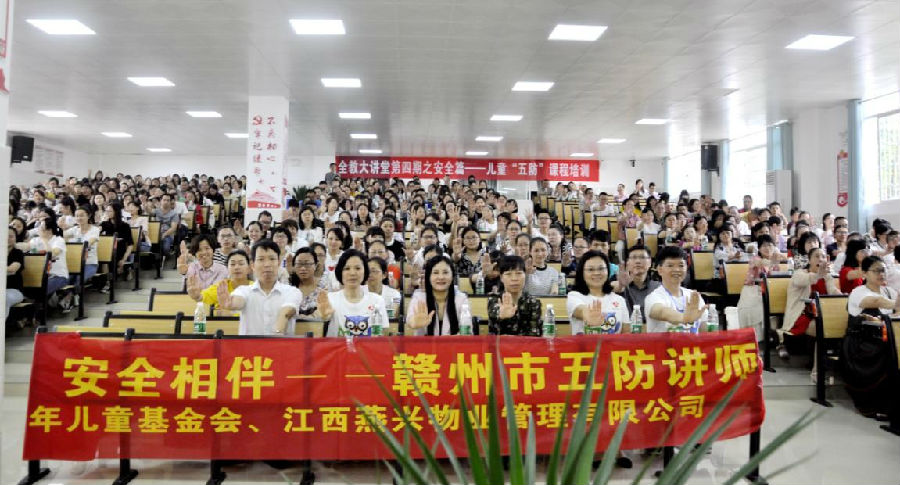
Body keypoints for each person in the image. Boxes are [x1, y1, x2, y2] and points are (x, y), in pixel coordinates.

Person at [843, 256, 900, 419]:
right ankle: (886, 407)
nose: (881, 274)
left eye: (883, 270)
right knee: (889, 354)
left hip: (885, 339)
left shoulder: (889, 291)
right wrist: (895, 305)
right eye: (877, 270)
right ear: (865, 274)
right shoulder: (858, 292)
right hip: (861, 344)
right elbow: (875, 301)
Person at [217, 239, 301, 335]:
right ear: (253, 265)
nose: (267, 264)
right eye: (261, 259)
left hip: (280, 343)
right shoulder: (243, 290)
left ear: (278, 263)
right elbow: (239, 301)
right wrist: (230, 304)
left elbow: (285, 313)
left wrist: (276, 336)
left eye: (272, 259)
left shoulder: (292, 292)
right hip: (250, 345)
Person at [317, 249, 389, 337]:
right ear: (340, 272)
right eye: (347, 268)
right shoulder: (330, 299)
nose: (352, 273)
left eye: (358, 268)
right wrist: (324, 317)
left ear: (365, 271)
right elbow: (321, 323)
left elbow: (382, 335)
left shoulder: (377, 300)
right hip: (337, 346)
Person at [644, 246, 709, 333]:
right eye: (670, 265)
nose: (677, 270)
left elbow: (704, 329)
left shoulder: (694, 296)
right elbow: (661, 312)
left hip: (692, 342)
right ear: (660, 270)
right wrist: (685, 318)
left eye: (681, 265)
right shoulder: (653, 297)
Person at [405, 255, 473, 336]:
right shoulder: (419, 297)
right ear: (428, 277)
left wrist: (443, 342)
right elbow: (410, 320)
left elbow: (466, 333)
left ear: (452, 276)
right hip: (424, 344)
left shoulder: (461, 299)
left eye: (445, 272)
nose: (441, 277)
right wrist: (414, 323)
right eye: (435, 273)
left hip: (454, 344)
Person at [567, 250, 630, 335]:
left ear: (608, 271)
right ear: (582, 273)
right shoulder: (574, 296)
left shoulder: (619, 300)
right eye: (590, 269)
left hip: (614, 344)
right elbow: (580, 310)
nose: (596, 273)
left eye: (601, 268)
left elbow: (626, 334)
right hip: (585, 344)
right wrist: (589, 315)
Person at [736, 235, 780, 338]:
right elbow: (761, 263)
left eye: (770, 245)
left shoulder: (776, 263)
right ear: (759, 248)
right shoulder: (755, 259)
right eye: (764, 245)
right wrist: (773, 262)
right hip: (752, 290)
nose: (767, 248)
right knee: (761, 305)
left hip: (769, 290)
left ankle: (773, 336)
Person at [487, 255, 542, 335]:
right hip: (500, 343)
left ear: (525, 275)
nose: (514, 279)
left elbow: (535, 334)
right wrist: (503, 317)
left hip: (526, 343)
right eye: (508, 274)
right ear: (501, 277)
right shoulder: (494, 300)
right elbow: (495, 332)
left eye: (519, 273)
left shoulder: (534, 302)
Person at [187, 249, 252, 316]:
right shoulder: (221, 286)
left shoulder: (255, 287)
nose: (236, 267)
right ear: (227, 268)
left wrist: (230, 313)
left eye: (241, 264)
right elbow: (202, 297)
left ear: (249, 268)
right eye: (232, 264)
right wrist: (197, 296)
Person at [28, 213, 71, 311]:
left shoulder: (58, 240)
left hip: (58, 276)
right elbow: (26, 247)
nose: (38, 228)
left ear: (49, 230)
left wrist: (43, 239)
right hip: (40, 275)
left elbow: (51, 254)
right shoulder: (36, 240)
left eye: (41, 227)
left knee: (41, 289)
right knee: (28, 289)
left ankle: (37, 312)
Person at [615, 245, 661, 317]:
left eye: (642, 257)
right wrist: (621, 287)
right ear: (627, 263)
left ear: (650, 262)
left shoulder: (658, 287)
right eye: (633, 257)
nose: (638, 261)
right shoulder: (619, 285)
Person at [63, 206, 100, 288]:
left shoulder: (95, 230)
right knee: (65, 279)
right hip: (74, 262)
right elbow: (62, 237)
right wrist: (63, 229)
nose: (79, 218)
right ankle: (68, 294)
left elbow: (89, 242)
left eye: (82, 215)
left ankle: (73, 294)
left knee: (79, 279)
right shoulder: (74, 229)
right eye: (77, 216)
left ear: (88, 216)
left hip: (90, 263)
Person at [100, 202, 134, 278]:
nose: (107, 213)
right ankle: (107, 279)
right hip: (107, 250)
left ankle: (121, 270)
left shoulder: (125, 226)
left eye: (110, 211)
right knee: (103, 257)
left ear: (116, 212)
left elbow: (130, 244)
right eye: (106, 211)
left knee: (109, 260)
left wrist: (124, 259)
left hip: (119, 251)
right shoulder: (104, 224)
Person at [6, 228, 25, 319]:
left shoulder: (17, 253)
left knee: (3, 298)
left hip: (14, 290)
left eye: (11, 236)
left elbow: (12, 269)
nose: (7, 238)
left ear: (15, 238)